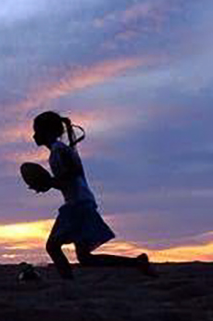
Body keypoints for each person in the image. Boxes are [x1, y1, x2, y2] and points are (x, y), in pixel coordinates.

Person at [32, 110, 155, 280]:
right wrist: (49, 184)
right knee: (85, 258)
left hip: (77, 206)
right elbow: (69, 181)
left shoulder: (58, 151)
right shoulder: (60, 150)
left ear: (48, 132)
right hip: (82, 202)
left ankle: (67, 284)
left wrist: (50, 182)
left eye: (37, 130)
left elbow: (72, 175)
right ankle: (137, 263)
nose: (34, 135)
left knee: (52, 247)